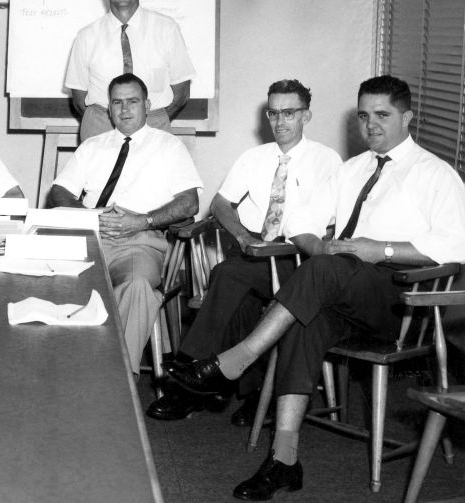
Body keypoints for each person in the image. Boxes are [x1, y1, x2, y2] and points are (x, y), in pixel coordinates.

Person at [167, 75, 465, 501]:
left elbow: (456, 245)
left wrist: (377, 249)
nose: (371, 125)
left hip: (397, 299)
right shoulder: (352, 170)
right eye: (364, 116)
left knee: (324, 271)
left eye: (382, 115)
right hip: (339, 291)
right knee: (303, 323)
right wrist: (319, 245)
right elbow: (300, 223)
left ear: (407, 117)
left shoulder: (436, 174)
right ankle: (285, 459)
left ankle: (237, 358)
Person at [146, 79, 341, 424]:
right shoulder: (254, 157)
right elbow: (221, 203)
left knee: (228, 274)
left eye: (289, 113)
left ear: (306, 116)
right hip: (252, 247)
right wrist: (241, 235)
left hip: (296, 257)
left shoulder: (328, 161)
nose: (280, 121)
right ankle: (253, 394)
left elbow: (328, 224)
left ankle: (191, 373)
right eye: (273, 113)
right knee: (242, 292)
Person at [47, 72, 202, 375]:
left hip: (138, 241)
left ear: (147, 105)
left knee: (137, 286)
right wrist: (87, 214)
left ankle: (114, 380)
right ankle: (59, 376)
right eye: (117, 102)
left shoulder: (169, 147)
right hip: (88, 238)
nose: (125, 109)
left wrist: (143, 221)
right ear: (109, 109)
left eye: (133, 101)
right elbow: (59, 190)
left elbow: (189, 202)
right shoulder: (93, 146)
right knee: (40, 278)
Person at [65, 0, 195, 140]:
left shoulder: (167, 29)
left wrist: (149, 122)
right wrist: (106, 121)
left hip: (155, 128)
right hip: (100, 129)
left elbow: (181, 93)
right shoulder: (86, 37)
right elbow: (79, 100)